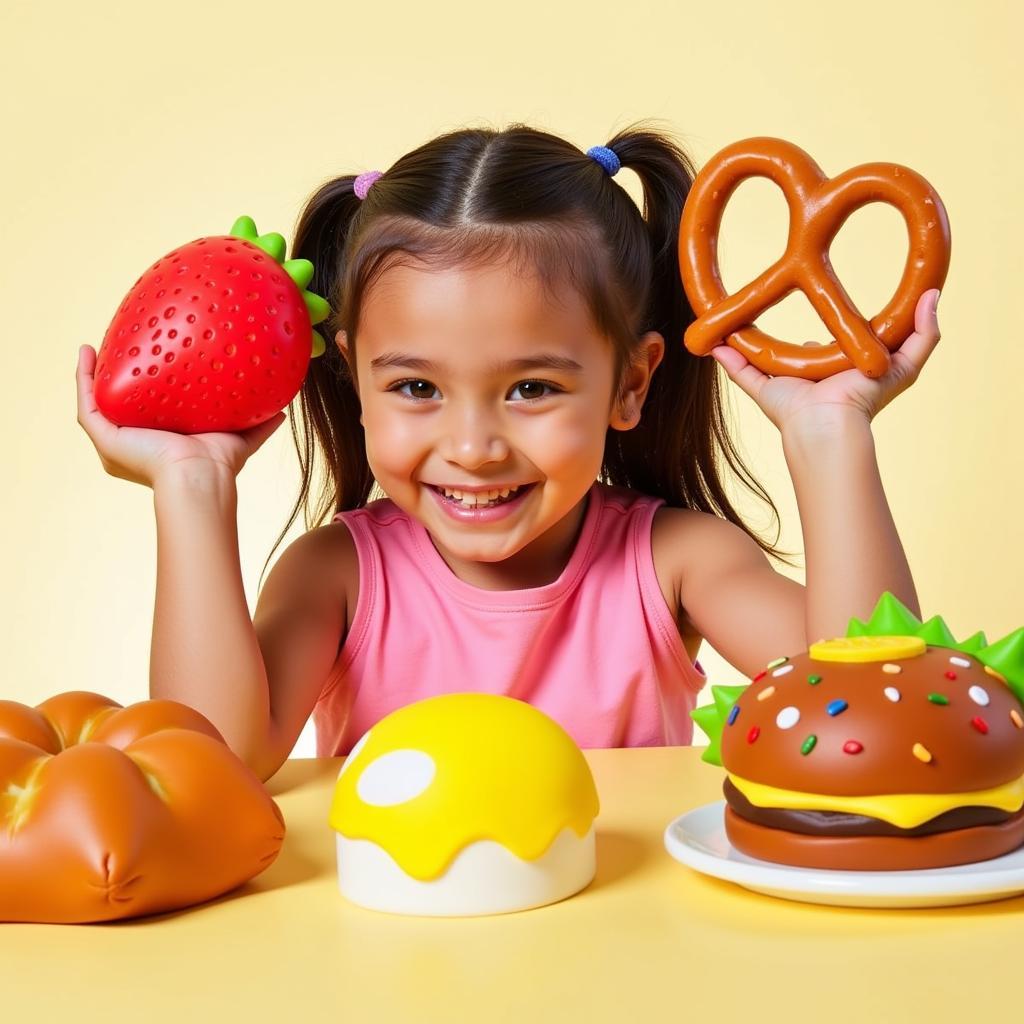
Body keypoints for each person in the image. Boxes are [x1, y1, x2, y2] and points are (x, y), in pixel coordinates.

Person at [75, 122, 941, 783]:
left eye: (531, 389)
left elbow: (879, 705)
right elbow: (208, 766)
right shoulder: (337, 574)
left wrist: (829, 436)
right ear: (353, 381)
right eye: (416, 388)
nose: (474, 447)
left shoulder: (675, 561)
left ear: (631, 384)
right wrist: (191, 487)